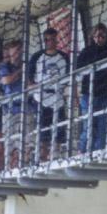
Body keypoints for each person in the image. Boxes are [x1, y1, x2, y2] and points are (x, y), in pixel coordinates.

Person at [77, 23, 107, 153]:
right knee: (88, 127)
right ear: (93, 37)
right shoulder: (86, 52)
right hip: (89, 95)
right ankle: (83, 152)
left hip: (104, 95)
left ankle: (100, 153)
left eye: (103, 36)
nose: (100, 39)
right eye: (98, 36)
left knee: (103, 127)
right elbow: (77, 68)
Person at [28, 28, 69, 162]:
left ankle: (55, 157)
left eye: (52, 39)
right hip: (42, 99)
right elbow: (29, 80)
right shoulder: (37, 57)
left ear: (57, 39)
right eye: (46, 39)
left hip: (58, 98)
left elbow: (69, 78)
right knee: (43, 134)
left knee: (58, 133)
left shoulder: (64, 57)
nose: (49, 42)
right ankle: (42, 159)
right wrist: (35, 88)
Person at [0, 40, 31, 168]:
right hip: (10, 109)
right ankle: (9, 167)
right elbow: (6, 80)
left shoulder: (26, 65)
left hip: (25, 107)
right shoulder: (5, 66)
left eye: (19, 50)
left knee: (26, 140)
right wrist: (20, 71)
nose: (17, 53)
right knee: (9, 142)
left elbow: (28, 82)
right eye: (14, 50)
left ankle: (22, 165)